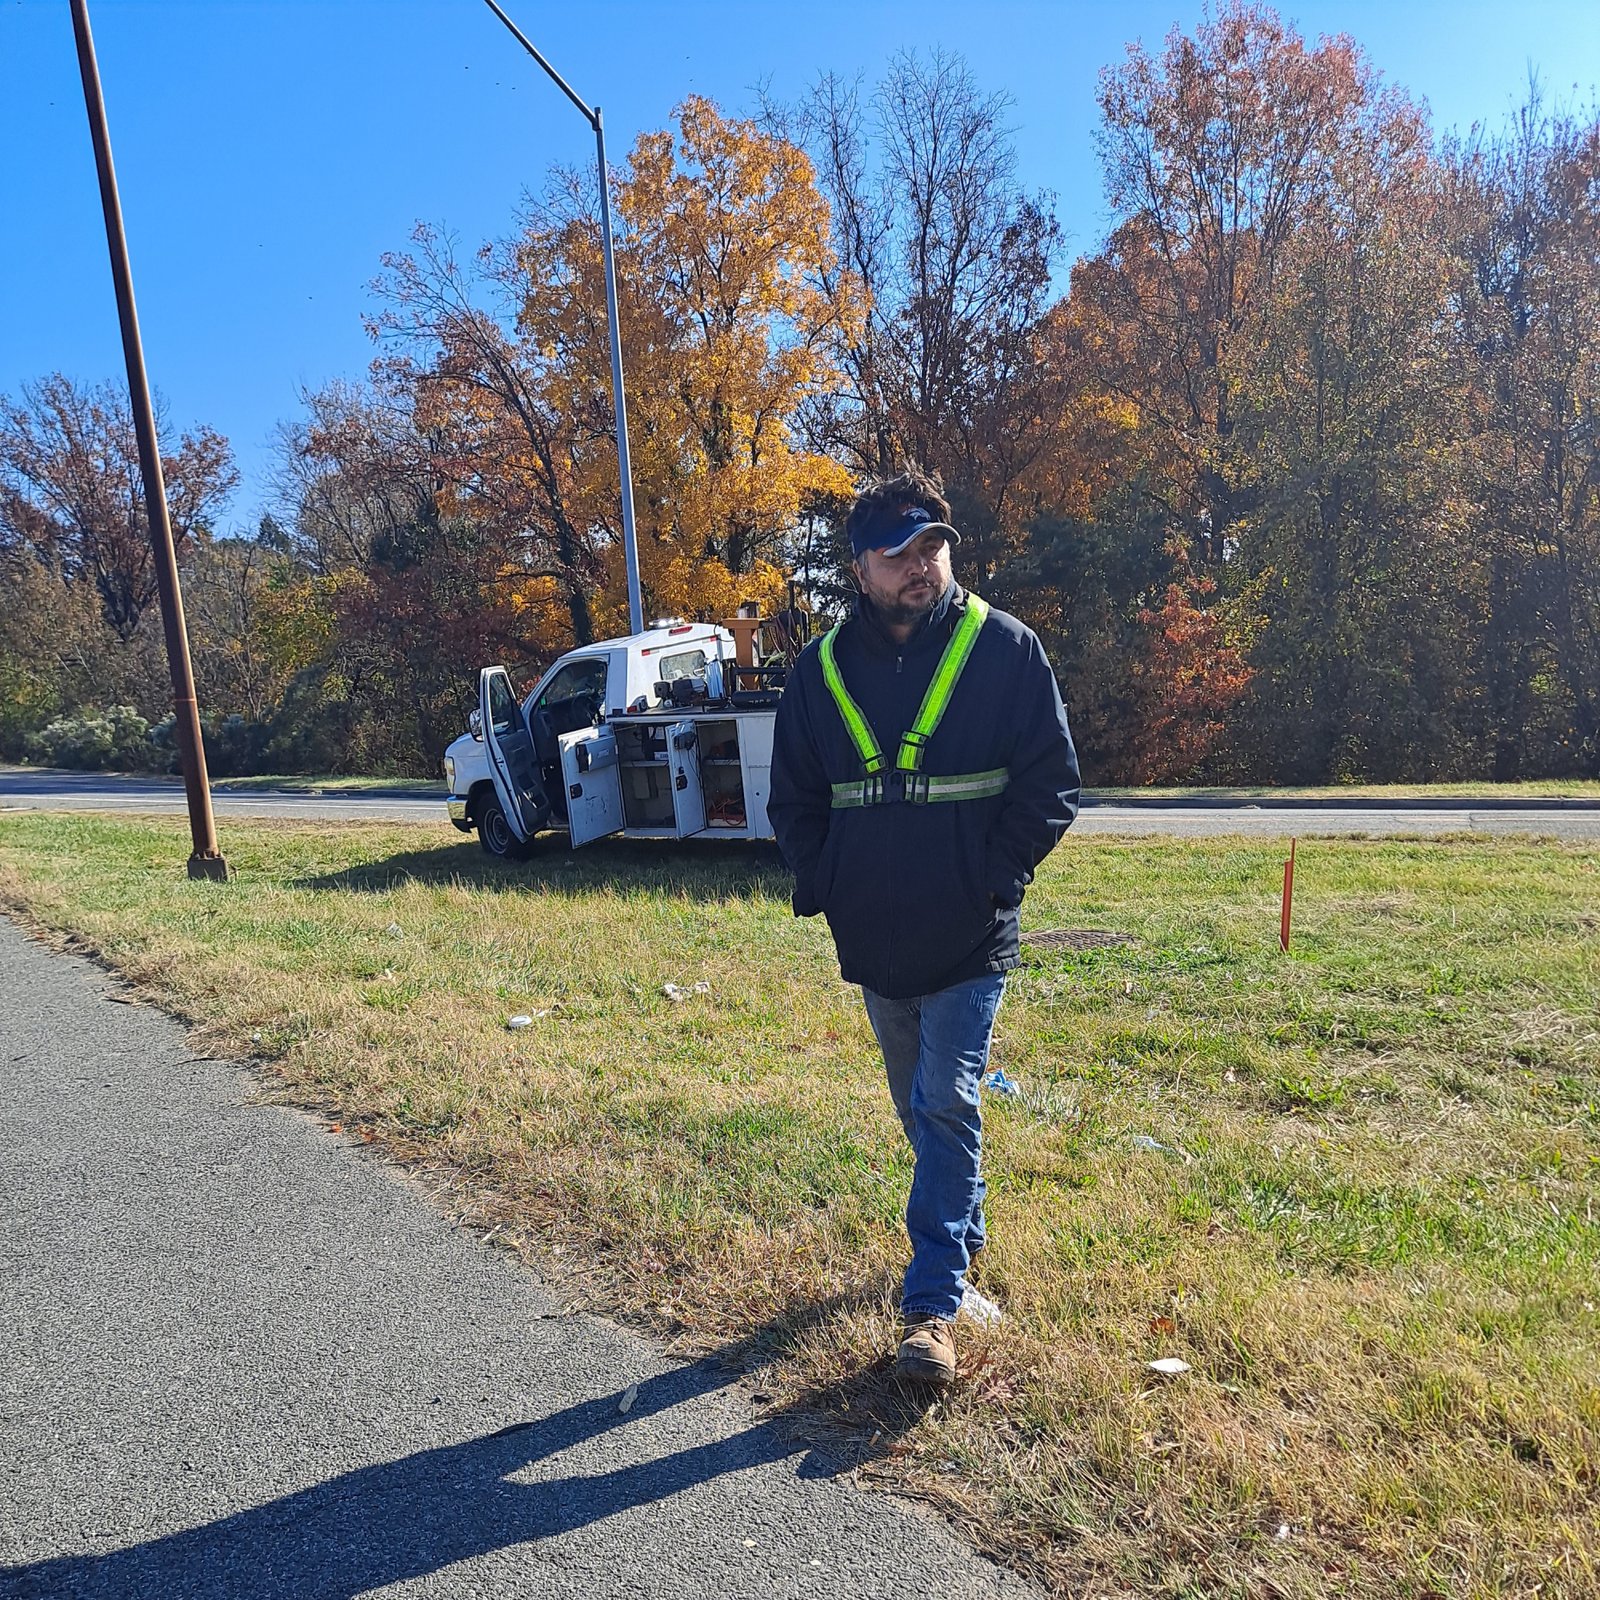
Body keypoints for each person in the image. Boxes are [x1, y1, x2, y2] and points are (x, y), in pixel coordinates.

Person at [768, 467, 1080, 1385]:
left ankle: (931, 1308)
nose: (924, 564)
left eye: (934, 544)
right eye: (901, 551)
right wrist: (828, 883)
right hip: (873, 937)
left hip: (971, 931)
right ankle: (965, 1231)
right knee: (921, 1108)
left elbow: (1051, 784)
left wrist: (992, 880)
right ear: (860, 569)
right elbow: (793, 801)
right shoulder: (818, 673)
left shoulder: (1005, 650)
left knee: (946, 1098)